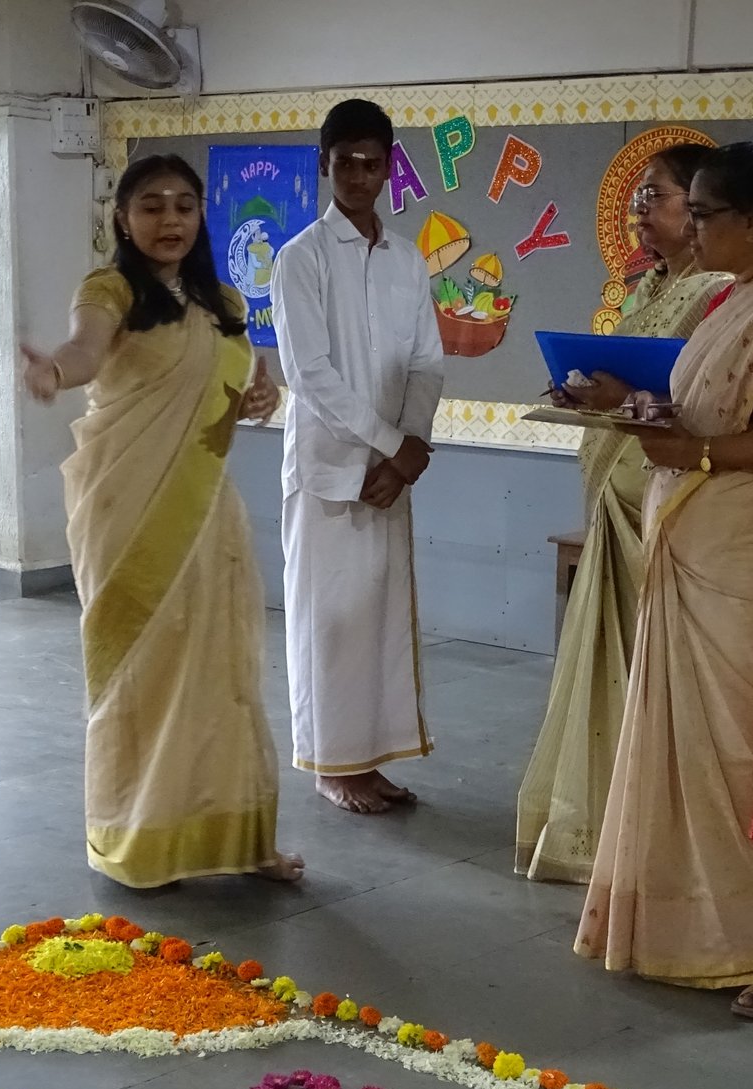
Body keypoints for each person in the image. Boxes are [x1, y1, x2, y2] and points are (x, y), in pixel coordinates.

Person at [574, 141, 753, 1023]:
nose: (691, 229)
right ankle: (690, 935)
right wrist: (626, 405)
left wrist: (694, 450)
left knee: (747, 754)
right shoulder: (735, 299)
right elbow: (708, 417)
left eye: (703, 214)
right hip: (700, 551)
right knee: (692, 754)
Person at [20, 154, 303, 887]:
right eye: (151, 206)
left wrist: (260, 397)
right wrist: (56, 370)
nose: (169, 220)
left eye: (183, 205)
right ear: (123, 218)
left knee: (222, 667)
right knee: (142, 672)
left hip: (207, 507)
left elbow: (239, 384)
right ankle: (141, 837)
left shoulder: (223, 300)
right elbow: (85, 348)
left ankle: (237, 837)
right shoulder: (110, 289)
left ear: (201, 214)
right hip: (128, 509)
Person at [515, 144, 730, 883]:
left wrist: (627, 399)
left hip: (666, 498)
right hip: (618, 487)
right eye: (637, 196)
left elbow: (709, 405)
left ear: (699, 210)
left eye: (656, 195)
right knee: (609, 661)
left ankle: (658, 832)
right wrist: (587, 391)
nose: (640, 209)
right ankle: (601, 821)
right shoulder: (648, 288)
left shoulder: (720, 294)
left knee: (657, 670)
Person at [271, 99, 445, 815]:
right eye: (345, 162)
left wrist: (411, 447)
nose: (359, 175)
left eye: (373, 163)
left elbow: (426, 362)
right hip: (329, 472)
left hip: (389, 473)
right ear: (325, 165)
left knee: (378, 622)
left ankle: (368, 760)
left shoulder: (406, 259)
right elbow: (310, 375)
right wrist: (392, 446)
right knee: (329, 622)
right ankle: (330, 765)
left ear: (389, 168)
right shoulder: (301, 258)